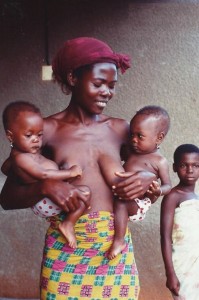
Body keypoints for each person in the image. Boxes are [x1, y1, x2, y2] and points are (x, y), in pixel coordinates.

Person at [0, 37, 156, 299]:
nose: (107, 91)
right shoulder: (45, 131)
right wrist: (44, 185)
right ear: (73, 78)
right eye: (98, 83)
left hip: (114, 251)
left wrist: (146, 177)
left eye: (112, 85)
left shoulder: (121, 130)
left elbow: (151, 166)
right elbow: (6, 199)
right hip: (67, 250)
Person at [2, 100, 90, 248]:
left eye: (40, 134)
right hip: (45, 201)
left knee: (84, 192)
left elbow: (5, 168)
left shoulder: (25, 154)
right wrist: (69, 172)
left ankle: (68, 223)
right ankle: (68, 224)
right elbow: (43, 175)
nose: (36, 140)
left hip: (51, 196)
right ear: (11, 137)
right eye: (29, 135)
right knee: (85, 193)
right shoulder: (21, 157)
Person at [99, 105, 172, 259]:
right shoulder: (131, 151)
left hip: (138, 203)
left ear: (159, 138)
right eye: (132, 134)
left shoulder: (159, 161)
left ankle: (119, 240)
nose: (133, 140)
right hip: (123, 197)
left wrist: (158, 190)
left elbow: (168, 186)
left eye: (140, 136)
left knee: (121, 203)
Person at [160, 144, 199, 299]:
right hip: (182, 267)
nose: (190, 170)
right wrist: (170, 274)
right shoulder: (172, 197)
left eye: (196, 165)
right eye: (184, 165)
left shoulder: (197, 199)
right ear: (175, 167)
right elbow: (165, 237)